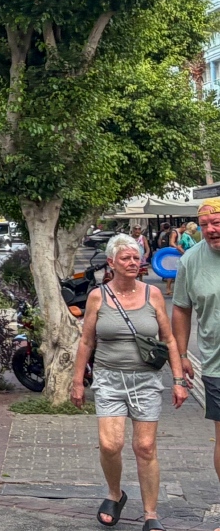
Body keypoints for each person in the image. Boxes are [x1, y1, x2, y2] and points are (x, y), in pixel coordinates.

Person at [73, 233, 188, 531]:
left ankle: (151, 514)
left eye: (136, 257)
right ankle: (115, 494)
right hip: (109, 379)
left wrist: (178, 380)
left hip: (146, 380)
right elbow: (86, 342)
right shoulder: (98, 296)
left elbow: (168, 339)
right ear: (111, 262)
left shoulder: (153, 295)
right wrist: (77, 382)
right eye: (126, 258)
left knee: (145, 447)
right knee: (110, 444)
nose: (133, 262)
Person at [171, 198, 220, 531]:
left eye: (216, 223)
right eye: (205, 225)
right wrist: (183, 355)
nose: (211, 230)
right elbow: (181, 309)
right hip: (216, 367)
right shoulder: (190, 260)